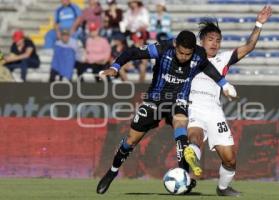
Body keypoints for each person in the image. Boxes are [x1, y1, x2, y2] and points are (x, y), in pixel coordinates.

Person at [95, 30, 237, 194]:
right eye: (181, 53)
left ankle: (185, 176)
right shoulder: (162, 48)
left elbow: (207, 67)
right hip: (155, 99)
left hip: (179, 99)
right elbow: (132, 52)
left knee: (181, 126)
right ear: (175, 45)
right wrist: (115, 67)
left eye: (187, 54)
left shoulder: (199, 54)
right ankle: (112, 171)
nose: (184, 57)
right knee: (131, 141)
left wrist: (224, 85)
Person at [183, 6, 272, 197]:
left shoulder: (223, 59)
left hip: (214, 112)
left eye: (218, 40)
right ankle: (191, 164)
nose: (214, 43)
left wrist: (259, 24)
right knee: (195, 137)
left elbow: (249, 46)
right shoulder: (188, 58)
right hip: (193, 109)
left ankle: (222, 188)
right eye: (210, 39)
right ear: (201, 41)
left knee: (230, 160)